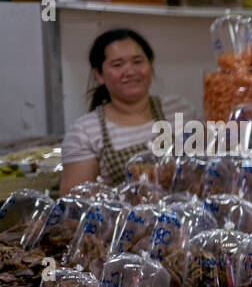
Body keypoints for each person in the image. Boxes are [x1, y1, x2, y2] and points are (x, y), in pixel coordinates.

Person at [60, 28, 193, 193]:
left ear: (150, 65)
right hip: (124, 218)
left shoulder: (178, 110)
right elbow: (75, 203)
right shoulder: (84, 132)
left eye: (138, 61)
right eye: (117, 65)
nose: (130, 71)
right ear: (99, 74)